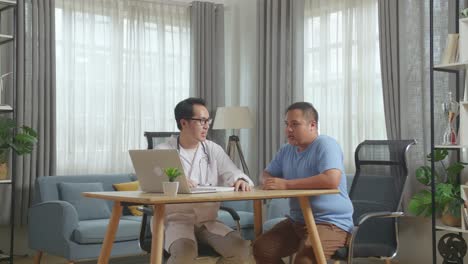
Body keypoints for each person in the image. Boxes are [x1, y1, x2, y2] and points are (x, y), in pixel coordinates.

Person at [155, 97, 254, 264]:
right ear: (184, 123)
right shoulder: (162, 151)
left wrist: (241, 180)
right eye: (201, 120)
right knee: (184, 256)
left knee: (242, 250)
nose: (207, 125)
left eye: (208, 120)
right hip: (177, 221)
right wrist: (177, 181)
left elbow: (235, 172)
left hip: (208, 221)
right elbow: (150, 185)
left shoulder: (212, 149)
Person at [253, 102, 353, 264]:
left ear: (312, 125)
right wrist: (267, 182)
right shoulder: (287, 150)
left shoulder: (326, 144)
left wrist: (286, 185)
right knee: (261, 248)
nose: (288, 130)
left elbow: (331, 179)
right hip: (298, 222)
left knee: (304, 261)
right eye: (287, 124)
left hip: (331, 223)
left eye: (295, 124)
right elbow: (265, 173)